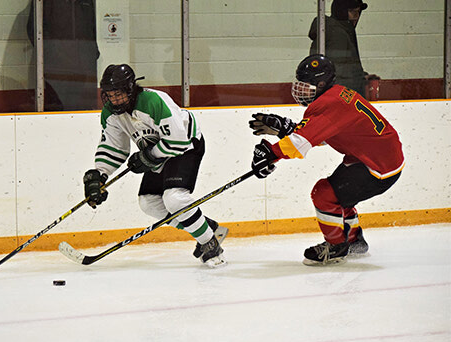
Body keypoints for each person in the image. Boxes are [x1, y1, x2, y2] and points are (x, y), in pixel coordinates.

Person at [249, 54, 404, 266]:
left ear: (321, 83)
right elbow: (321, 134)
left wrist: (271, 154)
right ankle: (354, 240)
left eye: (306, 84)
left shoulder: (329, 104)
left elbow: (298, 145)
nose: (301, 89)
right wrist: (287, 129)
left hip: (378, 167)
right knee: (338, 196)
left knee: (323, 194)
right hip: (377, 157)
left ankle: (336, 247)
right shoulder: (337, 95)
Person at [83, 64, 229, 267]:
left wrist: (149, 156)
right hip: (160, 153)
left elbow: (178, 141)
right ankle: (206, 227)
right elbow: (114, 149)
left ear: (131, 89)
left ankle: (211, 246)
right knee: (149, 203)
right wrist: (99, 174)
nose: (114, 100)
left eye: (119, 94)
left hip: (186, 147)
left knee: (175, 198)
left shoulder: (153, 100)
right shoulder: (111, 114)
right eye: (110, 95)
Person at [27, 0, 99, 111]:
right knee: (57, 104)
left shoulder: (86, 1)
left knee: (77, 104)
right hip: (56, 67)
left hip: (81, 65)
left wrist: (92, 50)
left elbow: (91, 26)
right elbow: (33, 29)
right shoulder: (45, 2)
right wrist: (52, 52)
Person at [308, 0, 377, 98]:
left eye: (358, 12)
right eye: (353, 12)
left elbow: (346, 65)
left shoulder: (341, 31)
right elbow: (337, 72)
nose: (356, 16)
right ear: (342, 12)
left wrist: (362, 76)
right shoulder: (337, 34)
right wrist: (358, 80)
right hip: (342, 97)